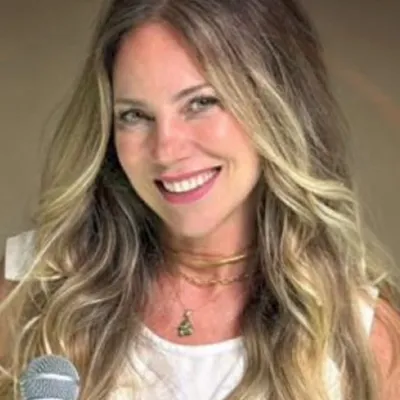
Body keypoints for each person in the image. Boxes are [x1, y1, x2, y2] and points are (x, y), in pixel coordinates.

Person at [0, 0, 399, 398]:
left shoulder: (364, 337)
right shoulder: (32, 290)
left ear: (274, 105)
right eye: (134, 115)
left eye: (201, 103)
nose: (166, 151)